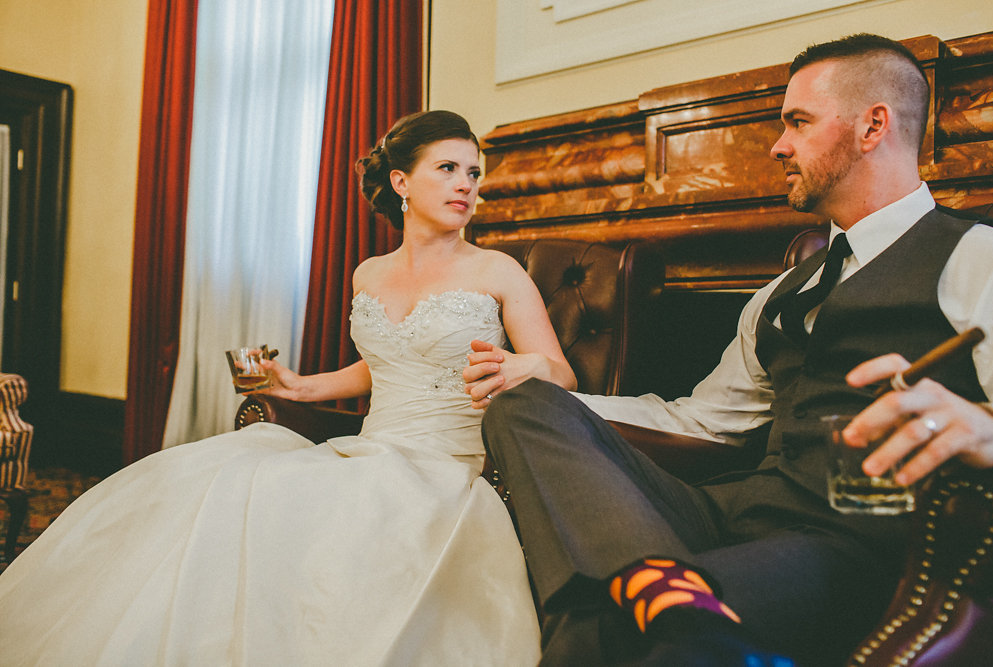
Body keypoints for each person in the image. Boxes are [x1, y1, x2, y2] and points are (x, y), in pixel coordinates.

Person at [470, 34, 993, 666]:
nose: (777, 145)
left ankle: (657, 609)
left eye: (798, 122)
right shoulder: (779, 293)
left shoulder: (979, 258)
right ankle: (674, 606)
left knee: (596, 624)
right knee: (524, 405)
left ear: (873, 126)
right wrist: (559, 401)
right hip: (730, 510)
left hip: (847, 542)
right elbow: (703, 422)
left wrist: (987, 427)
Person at [0, 110, 576, 666]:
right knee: (230, 482)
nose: (466, 185)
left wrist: (519, 367)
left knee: (330, 511)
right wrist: (298, 387)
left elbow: (560, 371)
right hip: (372, 449)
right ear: (401, 182)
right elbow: (384, 366)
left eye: (473, 172)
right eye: (447, 168)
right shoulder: (370, 273)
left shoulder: (496, 270)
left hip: (447, 464)